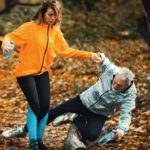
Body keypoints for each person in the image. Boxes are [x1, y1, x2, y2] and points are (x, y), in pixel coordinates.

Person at [1, 0, 101, 149]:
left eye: (55, 16)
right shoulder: (29, 27)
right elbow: (10, 37)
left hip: (42, 73)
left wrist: (90, 55)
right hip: (25, 73)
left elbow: (66, 51)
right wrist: (6, 45)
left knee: (45, 107)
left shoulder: (55, 33)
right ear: (42, 13)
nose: (52, 18)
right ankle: (33, 143)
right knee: (35, 105)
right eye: (50, 14)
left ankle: (39, 141)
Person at [2, 53, 137, 149]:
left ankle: (73, 118)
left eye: (119, 86)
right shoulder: (113, 71)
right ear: (116, 75)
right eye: (115, 82)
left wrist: (121, 130)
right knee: (51, 113)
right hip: (83, 100)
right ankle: (23, 129)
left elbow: (127, 113)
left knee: (91, 135)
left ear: (127, 84)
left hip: (99, 113)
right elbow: (104, 60)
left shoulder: (130, 94)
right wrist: (99, 56)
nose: (115, 85)